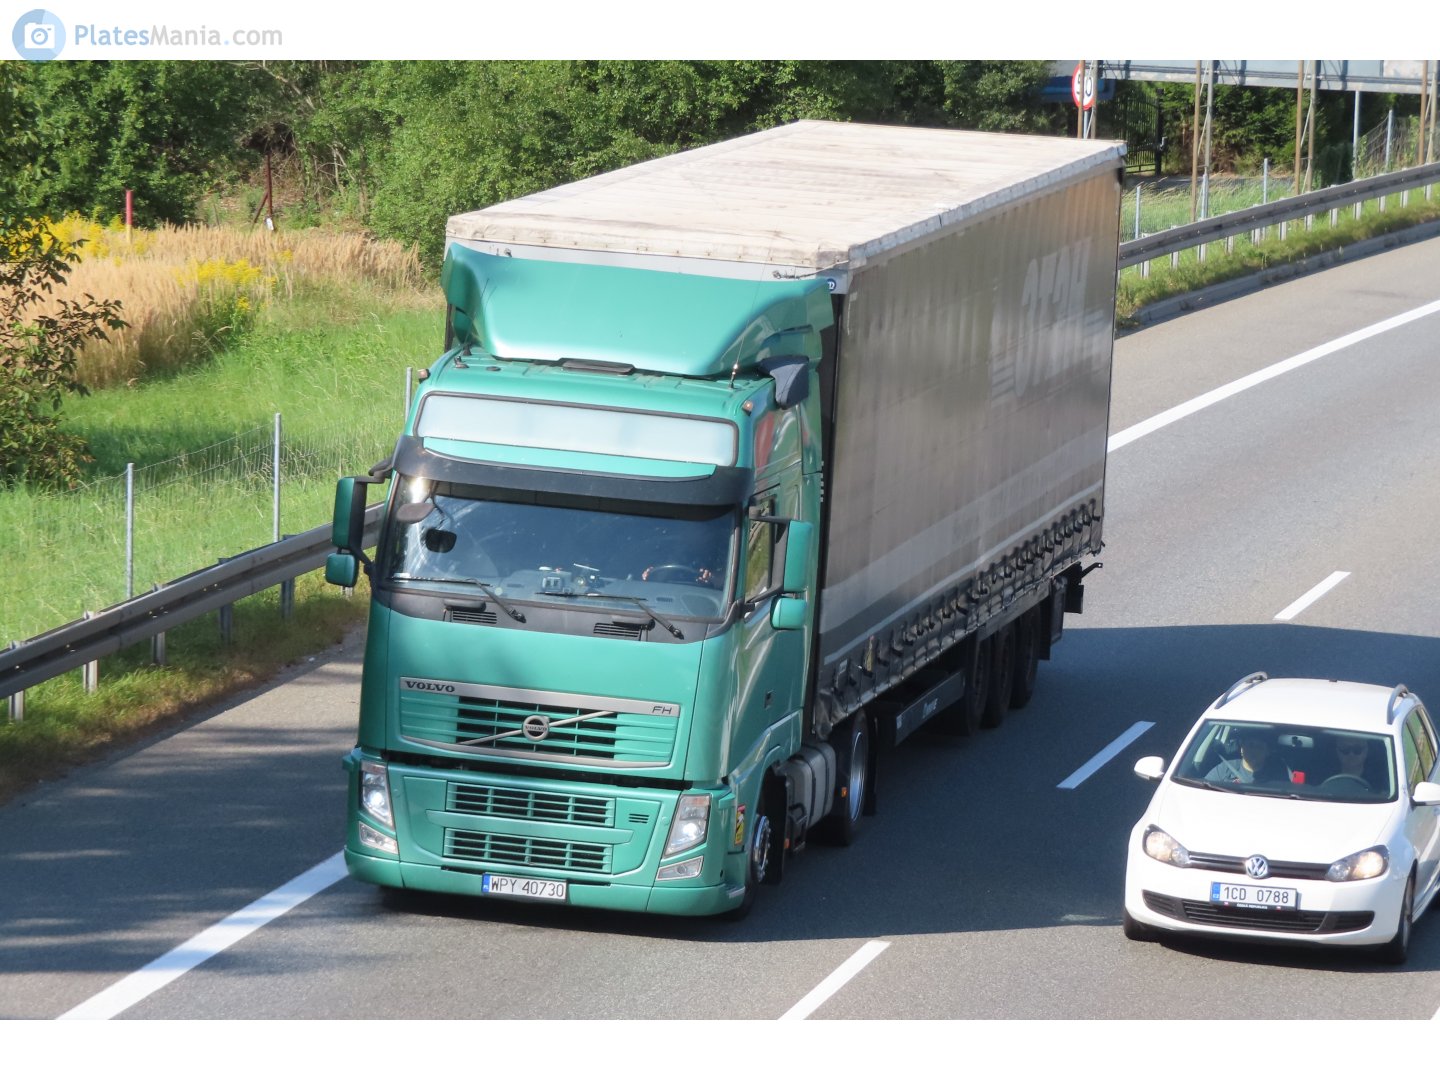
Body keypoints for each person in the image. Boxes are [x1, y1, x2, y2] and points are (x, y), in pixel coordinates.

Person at [1206, 729, 1290, 784]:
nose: (1254, 750)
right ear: (1242, 749)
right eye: (1250, 745)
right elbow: (1205, 787)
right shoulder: (1225, 768)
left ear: (1267, 752)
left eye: (1259, 747)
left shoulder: (1278, 773)